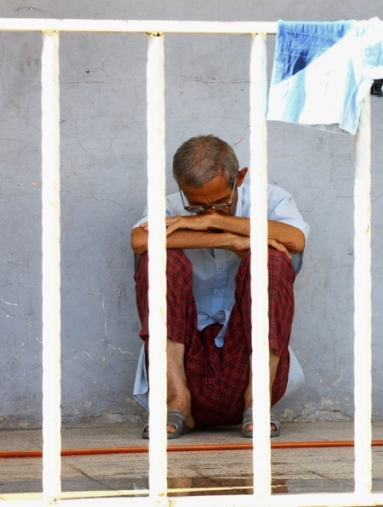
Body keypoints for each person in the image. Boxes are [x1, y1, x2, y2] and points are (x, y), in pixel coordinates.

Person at [130, 135, 309, 439]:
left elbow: (295, 240)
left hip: (248, 367)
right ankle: (176, 403)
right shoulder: (171, 206)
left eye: (218, 203)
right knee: (158, 258)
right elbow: (140, 240)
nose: (206, 212)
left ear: (239, 178)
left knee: (271, 259)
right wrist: (228, 239)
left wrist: (213, 222)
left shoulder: (271, 200)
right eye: (196, 205)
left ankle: (259, 405)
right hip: (185, 366)